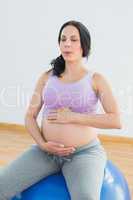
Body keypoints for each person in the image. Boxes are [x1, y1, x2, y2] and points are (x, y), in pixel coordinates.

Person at [0, 20, 122, 200]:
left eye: (74, 40)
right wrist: (42, 143)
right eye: (63, 39)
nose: (67, 43)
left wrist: (73, 117)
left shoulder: (96, 79)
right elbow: (30, 116)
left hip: (83, 153)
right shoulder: (47, 77)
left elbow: (115, 121)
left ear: (84, 46)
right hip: (46, 151)